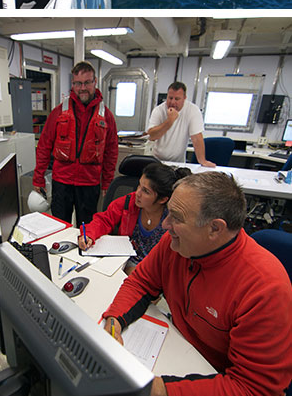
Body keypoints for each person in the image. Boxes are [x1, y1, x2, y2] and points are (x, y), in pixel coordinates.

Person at [102, 171, 292, 396]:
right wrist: (113, 322)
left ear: (215, 228)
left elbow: (254, 389)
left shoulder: (265, 288)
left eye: (177, 218)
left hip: (214, 377)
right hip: (178, 351)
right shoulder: (174, 244)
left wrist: (153, 389)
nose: (165, 224)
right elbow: (140, 283)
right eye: (168, 213)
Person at [32, 61, 118, 227]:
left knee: (86, 230)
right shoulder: (59, 111)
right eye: (78, 83)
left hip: (89, 183)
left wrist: (107, 181)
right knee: (59, 227)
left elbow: (111, 151)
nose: (82, 88)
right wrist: (38, 178)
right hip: (61, 181)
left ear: (95, 82)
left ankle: (81, 254)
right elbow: (44, 145)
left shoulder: (105, 115)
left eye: (87, 82)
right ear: (73, 84)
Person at [78, 161, 190, 274]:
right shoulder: (129, 202)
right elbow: (104, 220)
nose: (137, 193)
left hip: (159, 270)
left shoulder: (172, 218)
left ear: (163, 199)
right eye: (139, 185)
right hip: (127, 262)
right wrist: (89, 235)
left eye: (145, 191)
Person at [146, 81, 215, 167]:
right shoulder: (159, 110)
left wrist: (202, 160)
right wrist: (170, 121)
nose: (172, 102)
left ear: (184, 98)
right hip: (157, 161)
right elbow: (152, 136)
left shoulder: (192, 110)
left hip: (178, 162)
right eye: (170, 98)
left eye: (177, 99)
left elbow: (196, 138)